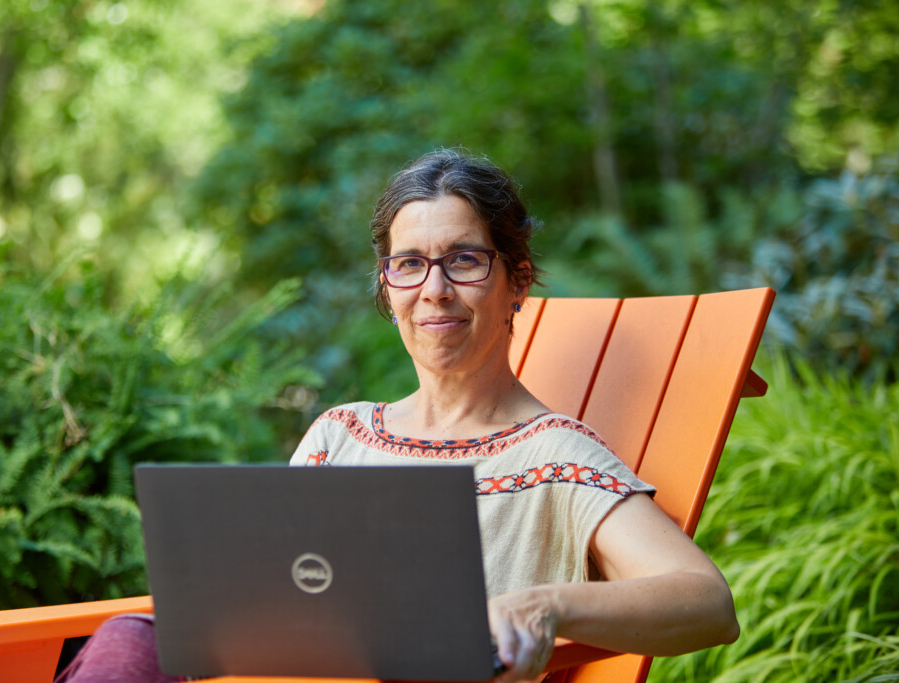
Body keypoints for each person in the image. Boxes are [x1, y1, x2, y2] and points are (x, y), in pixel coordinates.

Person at [56, 149, 739, 683]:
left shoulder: (554, 456)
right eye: (409, 264)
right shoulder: (338, 434)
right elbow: (263, 603)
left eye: (464, 260)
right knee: (126, 640)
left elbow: (706, 600)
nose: (434, 291)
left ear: (518, 279)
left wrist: (542, 604)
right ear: (388, 285)